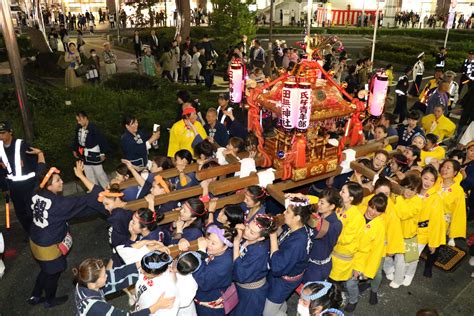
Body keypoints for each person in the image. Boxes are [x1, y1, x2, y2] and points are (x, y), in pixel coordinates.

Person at [28, 161, 104, 308]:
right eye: (58, 180)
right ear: (48, 185)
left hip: (36, 239)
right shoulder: (59, 203)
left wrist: (40, 158)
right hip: (48, 247)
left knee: (45, 270)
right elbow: (91, 197)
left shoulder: (37, 192)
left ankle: (35, 295)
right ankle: (49, 300)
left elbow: (40, 172)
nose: (62, 181)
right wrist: (82, 176)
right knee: (53, 273)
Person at [74, 258, 175, 315]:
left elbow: (115, 276)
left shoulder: (83, 282)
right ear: (92, 283)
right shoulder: (97, 307)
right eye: (104, 275)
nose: (107, 276)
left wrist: (139, 264)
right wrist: (156, 307)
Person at [263, 201, 312, 316]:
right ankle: (282, 309)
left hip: (284, 281)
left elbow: (277, 267)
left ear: (297, 217)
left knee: (268, 313)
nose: (283, 213)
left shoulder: (298, 242)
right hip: (287, 273)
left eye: (288, 211)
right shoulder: (298, 228)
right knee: (277, 302)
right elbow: (284, 239)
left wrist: (273, 236)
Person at [345, 193, 387, 312]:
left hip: (362, 260)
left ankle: (354, 299)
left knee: (350, 283)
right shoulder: (357, 213)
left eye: (378, 211)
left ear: (382, 213)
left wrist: (368, 272)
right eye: (372, 207)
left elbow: (376, 253)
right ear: (368, 204)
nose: (373, 212)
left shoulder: (379, 227)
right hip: (346, 254)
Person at [404, 166, 445, 284]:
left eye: (432, 180)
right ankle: (402, 272)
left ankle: (409, 275)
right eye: (425, 178)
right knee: (404, 254)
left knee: (412, 256)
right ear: (420, 177)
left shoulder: (436, 198)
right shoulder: (413, 190)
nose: (428, 182)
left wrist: (433, 243)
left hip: (422, 232)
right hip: (407, 227)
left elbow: (436, 223)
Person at [0, 121, 43, 235]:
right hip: (14, 186)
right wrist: (4, 188)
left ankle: (39, 232)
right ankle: (30, 233)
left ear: (10, 132)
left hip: (29, 184)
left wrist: (37, 182)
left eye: (3, 133)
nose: (1, 136)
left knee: (32, 210)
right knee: (20, 212)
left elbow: (35, 163)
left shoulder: (22, 144)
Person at [183, 225, 235, 316]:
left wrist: (202, 251)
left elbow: (204, 282)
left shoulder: (225, 263)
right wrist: (182, 240)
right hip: (205, 298)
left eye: (213, 243)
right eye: (208, 239)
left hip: (209, 308)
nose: (208, 244)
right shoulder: (217, 252)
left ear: (225, 247)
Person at [232, 214, 276, 315]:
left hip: (252, 293)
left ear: (261, 238)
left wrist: (236, 243)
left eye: (251, 232)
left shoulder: (259, 251)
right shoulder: (251, 239)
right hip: (243, 288)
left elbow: (240, 275)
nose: (246, 231)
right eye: (247, 226)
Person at [302, 189, 343, 283]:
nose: (318, 205)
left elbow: (326, 240)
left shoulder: (336, 224)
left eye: (322, 203)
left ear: (332, 206)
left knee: (309, 293)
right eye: (319, 201)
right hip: (309, 260)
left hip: (318, 267)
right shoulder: (318, 215)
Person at [389, 174, 423, 288]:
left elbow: (402, 214)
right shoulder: (398, 197)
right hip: (398, 234)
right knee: (402, 259)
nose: (409, 192)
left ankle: (400, 279)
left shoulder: (418, 202)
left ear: (417, 191)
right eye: (407, 187)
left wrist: (398, 198)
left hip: (409, 235)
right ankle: (401, 276)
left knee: (408, 259)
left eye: (413, 190)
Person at [329, 182, 365, 283]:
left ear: (351, 198)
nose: (339, 193)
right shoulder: (339, 208)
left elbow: (346, 238)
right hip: (331, 252)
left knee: (333, 283)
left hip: (341, 258)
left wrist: (327, 231)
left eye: (343, 192)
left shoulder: (357, 218)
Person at [71, 111, 110, 188]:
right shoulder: (78, 128)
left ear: (85, 118)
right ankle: (95, 192)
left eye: (80, 120)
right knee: (89, 175)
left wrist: (102, 153)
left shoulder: (94, 128)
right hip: (84, 155)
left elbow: (102, 140)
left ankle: (108, 190)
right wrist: (74, 149)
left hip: (95, 154)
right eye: (77, 120)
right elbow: (76, 140)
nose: (79, 122)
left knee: (100, 174)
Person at [439, 159, 466, 246]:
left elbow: (458, 211)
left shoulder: (458, 190)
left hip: (441, 224)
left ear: (455, 172)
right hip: (423, 220)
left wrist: (452, 231)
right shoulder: (435, 181)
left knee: (434, 247)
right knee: (412, 250)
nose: (444, 169)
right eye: (443, 167)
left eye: (448, 168)